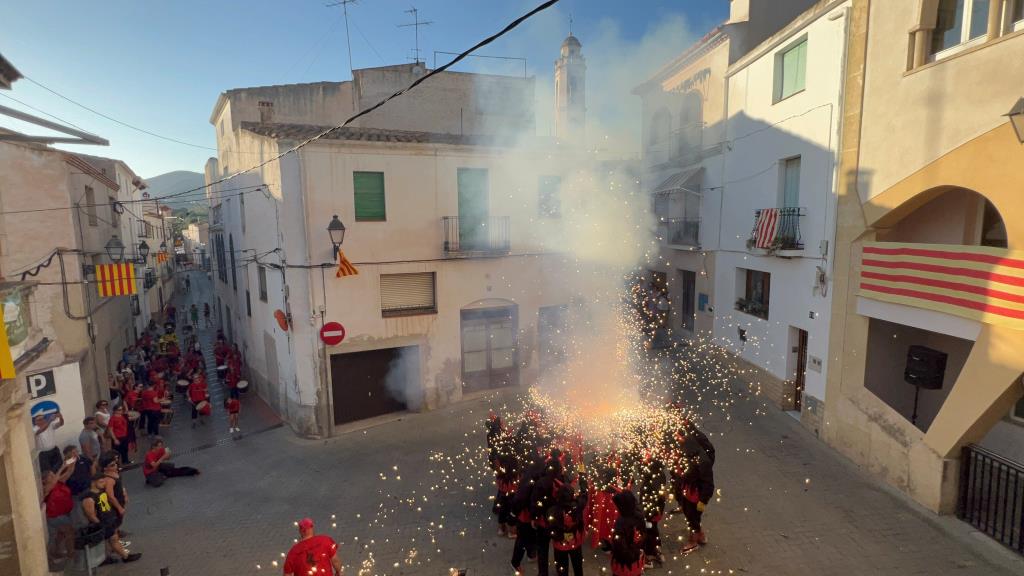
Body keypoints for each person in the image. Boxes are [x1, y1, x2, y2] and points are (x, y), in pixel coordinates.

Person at [81, 474, 141, 564]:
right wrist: (100, 524)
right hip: (103, 523)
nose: (104, 484)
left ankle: (112, 557)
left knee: (113, 539)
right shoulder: (89, 498)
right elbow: (91, 515)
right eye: (101, 482)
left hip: (108, 520)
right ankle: (125, 556)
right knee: (113, 540)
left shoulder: (100, 492)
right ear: (93, 483)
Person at [679, 436, 715, 554]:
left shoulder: (703, 461)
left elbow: (709, 485)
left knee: (692, 517)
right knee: (693, 517)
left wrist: (703, 501)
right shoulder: (692, 454)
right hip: (690, 490)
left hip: (696, 496)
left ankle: (693, 543)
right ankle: (700, 535)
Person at [550, 477, 588, 576]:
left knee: (562, 568)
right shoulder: (578, 506)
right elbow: (584, 494)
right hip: (575, 541)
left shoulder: (553, 510)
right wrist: (582, 477)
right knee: (578, 566)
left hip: (560, 543)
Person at [41, 461, 77, 563]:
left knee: (61, 534)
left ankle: (57, 551)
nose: (54, 476)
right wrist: (61, 468)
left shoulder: (58, 482)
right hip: (55, 516)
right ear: (44, 480)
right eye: (51, 476)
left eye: (53, 475)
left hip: (63, 513)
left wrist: (72, 462)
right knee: (70, 532)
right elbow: (52, 483)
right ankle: (71, 554)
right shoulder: (45, 489)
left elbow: (69, 472)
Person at [608, 490, 645, 576]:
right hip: (637, 562)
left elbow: (621, 549)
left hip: (624, 566)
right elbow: (643, 535)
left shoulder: (621, 524)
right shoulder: (639, 515)